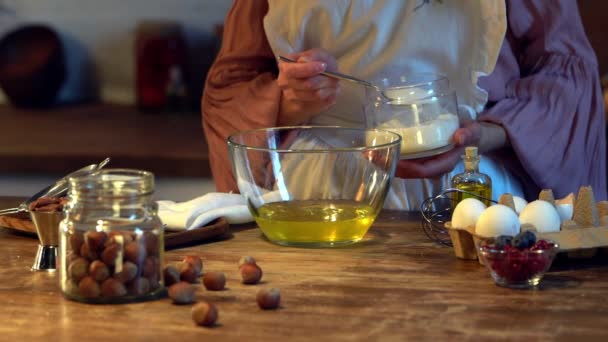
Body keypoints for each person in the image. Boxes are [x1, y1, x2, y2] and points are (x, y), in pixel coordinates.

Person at [202, 0, 607, 210]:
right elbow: (229, 89)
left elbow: (569, 79)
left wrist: (485, 134)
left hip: (470, 185)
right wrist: (290, 101)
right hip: (319, 188)